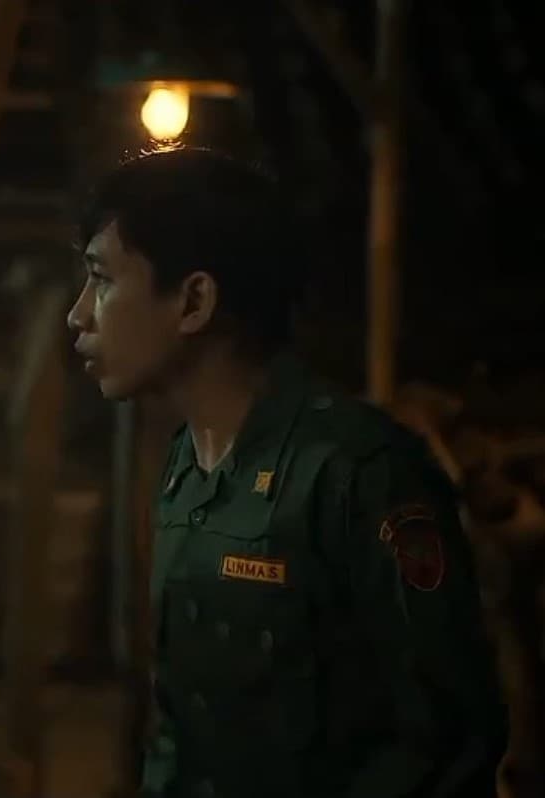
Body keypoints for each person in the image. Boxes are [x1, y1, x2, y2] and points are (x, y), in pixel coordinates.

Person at [65, 148, 507, 798]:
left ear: (193, 301)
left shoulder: (358, 471)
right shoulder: (189, 464)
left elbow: (445, 741)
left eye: (102, 280)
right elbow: (186, 728)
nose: (78, 314)